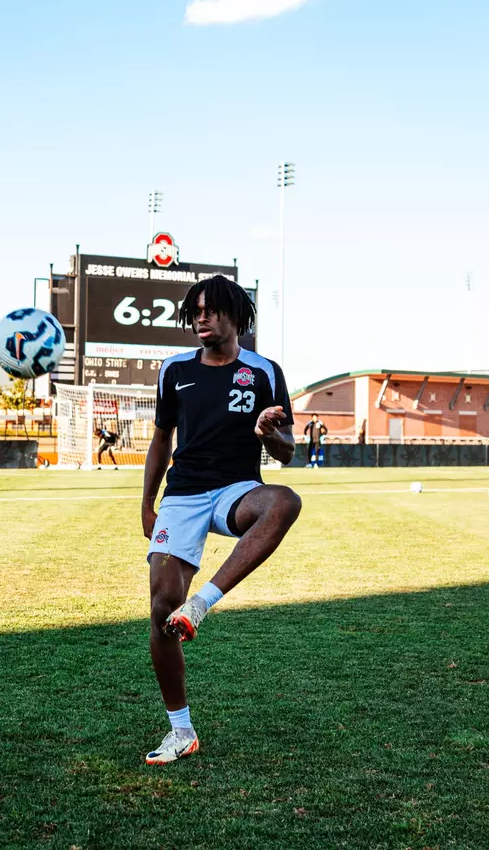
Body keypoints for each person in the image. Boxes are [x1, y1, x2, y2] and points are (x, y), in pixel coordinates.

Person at [142, 275, 299, 765]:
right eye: (195, 312)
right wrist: (147, 502)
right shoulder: (173, 370)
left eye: (210, 310)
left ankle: (204, 603)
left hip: (236, 489)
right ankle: (182, 730)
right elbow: (161, 439)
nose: (201, 319)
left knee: (284, 501)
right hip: (183, 494)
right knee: (163, 606)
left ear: (237, 316)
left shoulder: (265, 372)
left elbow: (287, 452)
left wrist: (267, 433)